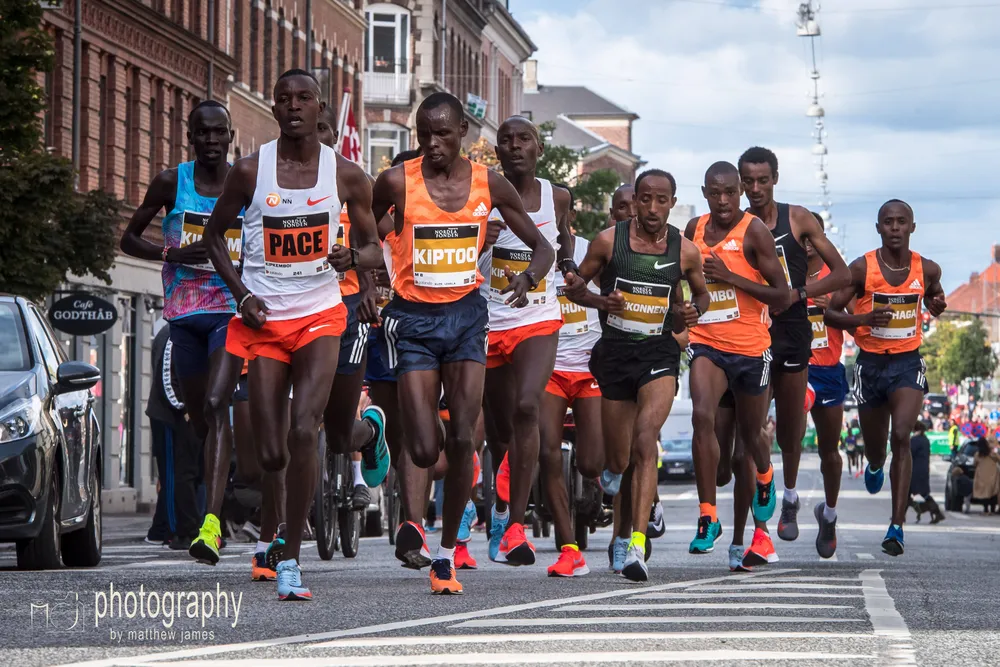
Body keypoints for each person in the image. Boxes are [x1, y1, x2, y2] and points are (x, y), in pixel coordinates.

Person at [203, 69, 389, 600]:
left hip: (321, 315)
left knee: (304, 430)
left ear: (319, 106)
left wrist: (351, 256)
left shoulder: (348, 175)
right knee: (270, 450)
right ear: (273, 107)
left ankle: (290, 557)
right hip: (263, 321)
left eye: (303, 98)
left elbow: (375, 249)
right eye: (283, 98)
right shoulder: (249, 171)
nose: (293, 106)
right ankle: (276, 527)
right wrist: (241, 295)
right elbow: (216, 238)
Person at [371, 92, 554, 595]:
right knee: (425, 445)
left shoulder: (487, 183)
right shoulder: (395, 182)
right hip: (412, 320)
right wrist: (364, 266)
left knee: (464, 439)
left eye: (443, 134)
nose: (433, 144)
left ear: (464, 134)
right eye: (424, 135)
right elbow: (372, 232)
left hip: (468, 317)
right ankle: (411, 522)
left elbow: (542, 246)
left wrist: (528, 279)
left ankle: (447, 550)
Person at [564, 168, 709, 581]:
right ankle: (623, 525)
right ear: (636, 200)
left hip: (659, 353)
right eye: (645, 198)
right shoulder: (610, 242)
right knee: (619, 458)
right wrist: (599, 301)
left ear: (672, 202)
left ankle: (636, 545)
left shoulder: (685, 251)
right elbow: (576, 289)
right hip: (615, 356)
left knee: (646, 439)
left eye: (661, 200)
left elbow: (701, 294)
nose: (652, 208)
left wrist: (692, 311)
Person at [120, 100, 246, 566]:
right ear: (189, 136)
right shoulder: (173, 182)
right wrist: (168, 255)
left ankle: (209, 527)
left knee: (217, 405)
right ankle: (219, 459)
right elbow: (128, 238)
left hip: (229, 310)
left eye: (219, 133)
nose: (212, 141)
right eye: (203, 133)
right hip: (184, 316)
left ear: (230, 136)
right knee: (198, 415)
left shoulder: (245, 182)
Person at [738, 147, 850, 546]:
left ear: (775, 179)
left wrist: (800, 292)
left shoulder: (797, 218)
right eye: (747, 182)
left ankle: (789, 497)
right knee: (751, 432)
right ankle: (760, 528)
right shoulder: (735, 224)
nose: (755, 189)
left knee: (789, 430)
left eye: (762, 180)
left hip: (791, 333)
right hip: (750, 333)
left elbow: (841, 273)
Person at [683, 161, 789, 572]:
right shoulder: (692, 229)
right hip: (707, 344)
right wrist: (684, 310)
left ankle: (765, 475)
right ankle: (707, 515)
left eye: (730, 192)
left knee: (751, 438)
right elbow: (683, 278)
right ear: (706, 192)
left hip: (750, 349)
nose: (723, 200)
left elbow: (781, 294)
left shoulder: (755, 231)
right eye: (715, 192)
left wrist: (731, 277)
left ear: (740, 193)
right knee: (701, 416)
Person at [477, 116, 573, 569]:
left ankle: (516, 525)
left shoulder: (557, 196)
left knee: (526, 409)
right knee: (499, 433)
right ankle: (500, 508)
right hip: (488, 321)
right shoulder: (479, 193)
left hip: (537, 317)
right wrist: (480, 241)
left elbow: (562, 241)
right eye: (506, 140)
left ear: (539, 149)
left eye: (524, 140)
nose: (514, 147)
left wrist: (555, 271)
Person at [826, 198, 947, 556]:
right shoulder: (862, 269)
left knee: (902, 436)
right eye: (888, 222)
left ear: (912, 227)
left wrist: (936, 305)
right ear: (878, 228)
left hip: (908, 363)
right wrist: (863, 321)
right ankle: (875, 464)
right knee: (877, 448)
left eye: (901, 222)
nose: (895, 228)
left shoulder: (927, 268)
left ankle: (896, 526)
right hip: (871, 366)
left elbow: (936, 298)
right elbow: (832, 313)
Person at [316, 106, 380, 510]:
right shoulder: (277, 179)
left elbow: (369, 243)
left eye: (324, 128)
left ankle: (370, 435)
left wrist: (370, 287)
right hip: (301, 310)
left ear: (334, 135)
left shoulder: (349, 182)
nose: (316, 134)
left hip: (348, 305)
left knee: (342, 420)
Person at [538, 188, 604, 577]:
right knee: (547, 450)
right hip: (549, 366)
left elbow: (615, 298)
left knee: (593, 459)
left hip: (590, 368)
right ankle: (567, 547)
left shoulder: (594, 252)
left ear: (569, 217)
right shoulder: (534, 248)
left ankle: (595, 484)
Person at [802, 227, 852, 558]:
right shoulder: (783, 268)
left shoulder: (836, 276)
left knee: (829, 453)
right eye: (801, 239)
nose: (806, 245)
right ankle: (779, 507)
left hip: (829, 371)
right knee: (777, 438)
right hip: (796, 367)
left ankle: (829, 515)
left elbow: (851, 322)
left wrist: (829, 307)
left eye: (812, 238)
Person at [145, 320, 202, 549]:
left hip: (187, 412)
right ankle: (174, 530)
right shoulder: (174, 332)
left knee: (188, 473)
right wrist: (184, 408)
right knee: (173, 475)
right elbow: (167, 376)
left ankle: (182, 527)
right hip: (170, 414)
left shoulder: (184, 330)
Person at [908, 421, 944, 523]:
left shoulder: (915, 440)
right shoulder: (925, 440)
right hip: (923, 470)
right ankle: (899, 516)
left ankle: (937, 512)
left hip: (915, 471)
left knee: (911, 493)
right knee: (920, 493)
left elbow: (909, 454)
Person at [972, 436, 1000, 514]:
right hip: (992, 475)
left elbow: (974, 463)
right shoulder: (992, 454)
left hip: (981, 476)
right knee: (993, 492)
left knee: (984, 494)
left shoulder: (978, 454)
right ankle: (992, 509)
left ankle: (986, 509)